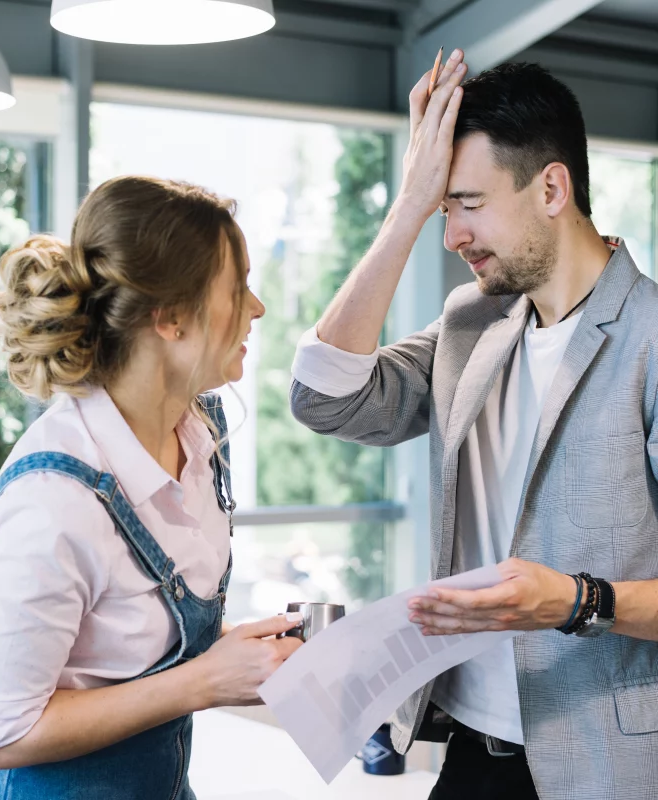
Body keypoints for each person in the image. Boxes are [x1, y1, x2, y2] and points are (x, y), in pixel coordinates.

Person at [289, 52, 658, 799]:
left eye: (468, 202)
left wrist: (578, 600)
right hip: (469, 752)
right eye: (441, 206)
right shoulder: (472, 322)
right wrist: (405, 210)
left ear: (552, 187)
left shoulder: (651, 339)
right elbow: (324, 398)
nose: (452, 232)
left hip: (604, 766)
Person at [0, 175, 303, 800]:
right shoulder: (52, 503)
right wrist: (204, 682)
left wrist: (238, 653)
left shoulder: (200, 431)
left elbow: (123, 649)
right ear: (169, 318)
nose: (257, 308)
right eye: (238, 287)